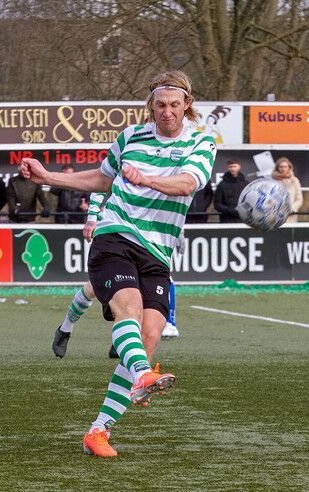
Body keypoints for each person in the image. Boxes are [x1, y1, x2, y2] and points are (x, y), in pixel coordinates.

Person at [20, 70, 215, 457]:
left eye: (174, 105)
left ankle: (98, 431)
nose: (167, 112)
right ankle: (142, 375)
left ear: (186, 105)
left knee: (150, 337)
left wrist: (146, 179)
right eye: (160, 105)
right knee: (128, 308)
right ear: (151, 105)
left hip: (158, 251)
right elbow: (100, 178)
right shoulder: (130, 137)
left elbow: (188, 184)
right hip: (116, 234)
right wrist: (48, 177)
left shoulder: (201, 141)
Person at [52, 193, 181, 360]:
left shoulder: (166, 175)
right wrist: (92, 218)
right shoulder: (127, 168)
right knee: (94, 289)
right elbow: (99, 185)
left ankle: (124, 338)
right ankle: (65, 329)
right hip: (119, 235)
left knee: (140, 296)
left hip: (149, 243)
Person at [271, 156, 303, 223]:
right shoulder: (272, 181)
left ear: (289, 167)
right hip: (275, 216)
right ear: (277, 168)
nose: (283, 169)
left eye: (285, 167)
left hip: (290, 216)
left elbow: (299, 199)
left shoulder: (294, 181)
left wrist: (291, 209)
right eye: (281, 167)